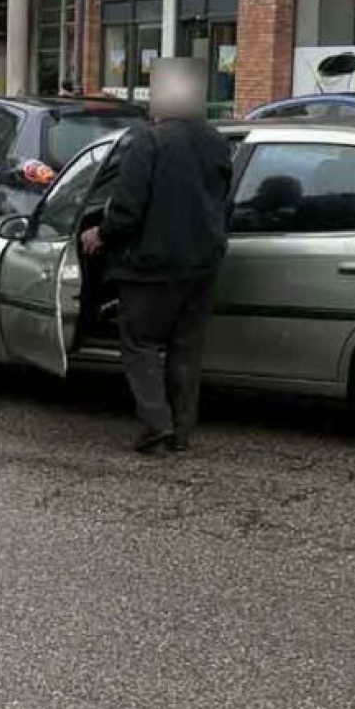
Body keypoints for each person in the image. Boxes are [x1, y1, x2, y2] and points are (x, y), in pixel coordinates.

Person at [79, 60, 232, 454]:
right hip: (202, 263)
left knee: (141, 344)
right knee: (185, 348)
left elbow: (127, 209)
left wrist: (101, 233)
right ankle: (181, 430)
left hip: (151, 266)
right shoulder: (216, 141)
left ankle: (155, 425)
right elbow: (221, 201)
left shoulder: (148, 141)